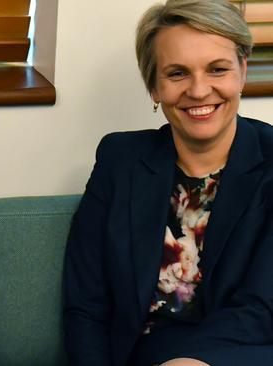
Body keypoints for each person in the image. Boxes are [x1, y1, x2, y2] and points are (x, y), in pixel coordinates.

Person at [63, 0, 273, 365]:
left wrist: (194, 361)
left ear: (242, 71)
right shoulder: (119, 161)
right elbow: (86, 305)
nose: (199, 90)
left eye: (217, 69)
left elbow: (263, 307)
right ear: (154, 87)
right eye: (177, 73)